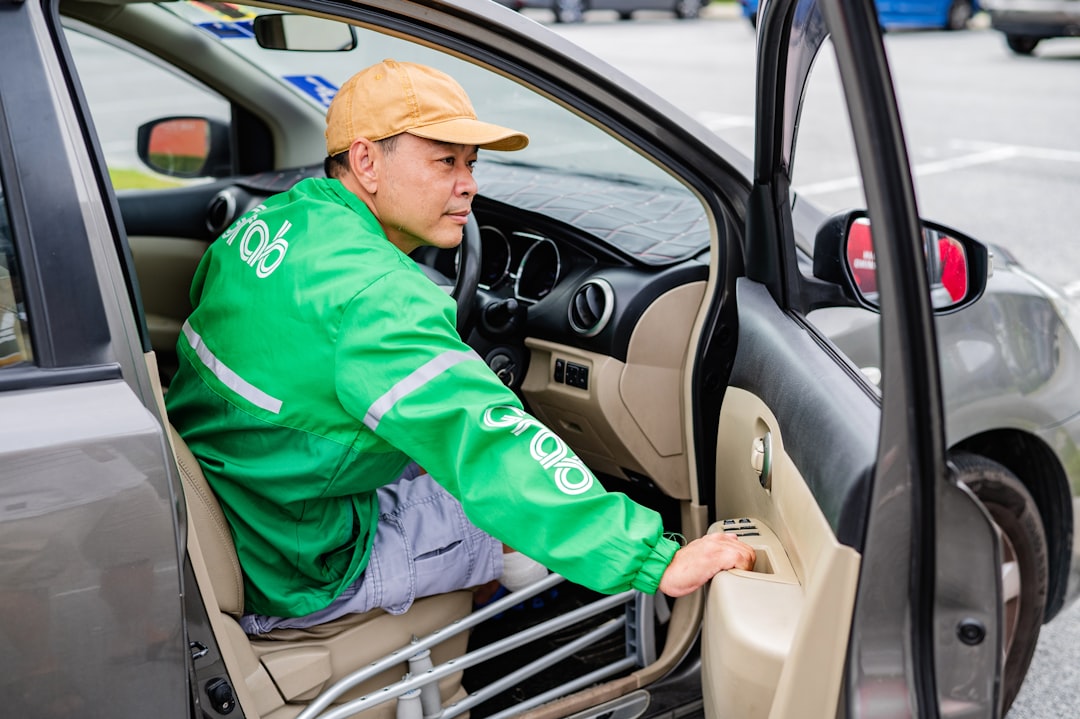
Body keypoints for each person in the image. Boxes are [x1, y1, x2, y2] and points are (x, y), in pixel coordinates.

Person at [165, 58, 754, 635]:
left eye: (471, 163)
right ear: (366, 160)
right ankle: (499, 613)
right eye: (445, 161)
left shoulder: (278, 222)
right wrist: (657, 559)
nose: (469, 184)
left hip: (239, 492)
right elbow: (491, 442)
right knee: (498, 521)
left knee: (447, 463)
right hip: (297, 563)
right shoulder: (381, 300)